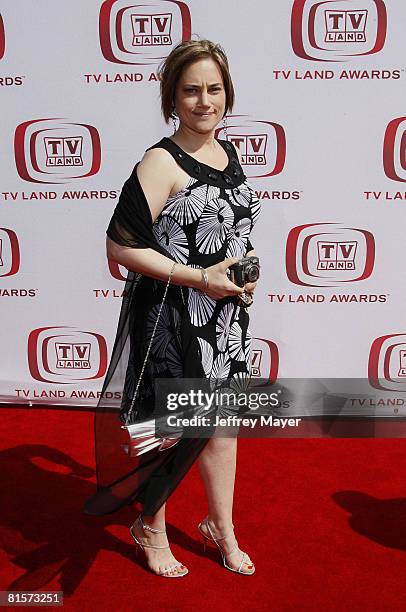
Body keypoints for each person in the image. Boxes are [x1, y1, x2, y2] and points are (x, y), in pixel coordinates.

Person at [82, 38, 261, 578]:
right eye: (191, 90)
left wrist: (241, 268)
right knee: (170, 428)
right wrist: (199, 277)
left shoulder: (229, 157)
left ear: (227, 93)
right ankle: (150, 527)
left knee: (220, 428)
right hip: (170, 318)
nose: (205, 100)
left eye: (214, 88)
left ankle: (220, 527)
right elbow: (120, 246)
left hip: (223, 320)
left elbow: (228, 228)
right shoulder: (160, 162)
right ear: (172, 99)